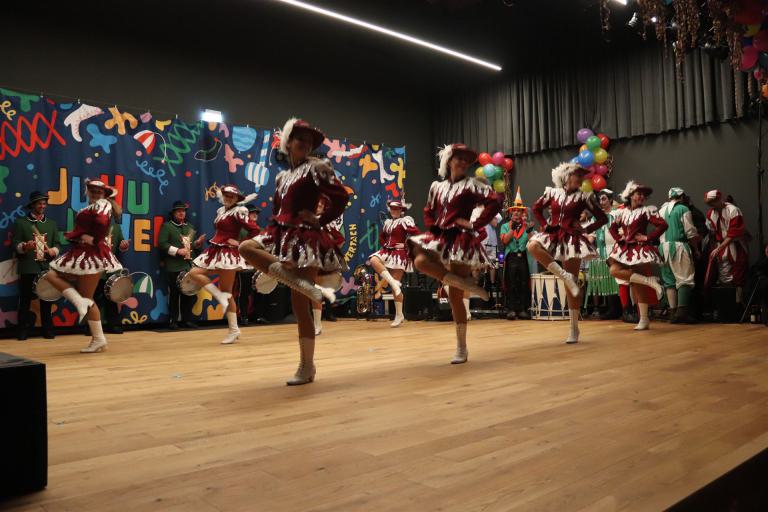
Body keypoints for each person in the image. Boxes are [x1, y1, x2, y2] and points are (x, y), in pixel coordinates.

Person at [239, 118, 348, 385]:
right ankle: (310, 288)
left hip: (306, 236)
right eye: (300, 139)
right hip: (281, 233)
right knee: (246, 247)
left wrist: (320, 220)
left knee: (300, 306)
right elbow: (278, 210)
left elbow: (341, 197)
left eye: (309, 142)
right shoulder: (282, 177)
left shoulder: (317, 167)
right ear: (288, 143)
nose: (306, 144)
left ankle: (306, 366)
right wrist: (273, 237)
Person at [408, 143, 501, 364]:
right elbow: (428, 210)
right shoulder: (437, 187)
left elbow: (495, 201)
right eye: (458, 158)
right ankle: (466, 285)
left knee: (455, 297)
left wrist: (475, 224)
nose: (462, 162)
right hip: (441, 237)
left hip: (462, 240)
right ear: (449, 161)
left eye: (466, 160)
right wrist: (433, 228)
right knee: (419, 260)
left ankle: (461, 348)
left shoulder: (472, 185)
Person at [527, 162, 608, 343]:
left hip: (572, 238)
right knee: (532, 246)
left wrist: (586, 229)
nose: (580, 179)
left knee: (571, 287)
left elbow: (602, 218)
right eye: (576, 175)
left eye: (581, 176)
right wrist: (544, 224)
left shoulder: (584, 197)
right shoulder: (552, 193)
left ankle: (573, 328)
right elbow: (536, 208)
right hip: (553, 233)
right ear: (566, 177)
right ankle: (564, 275)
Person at [44, 179, 123, 353]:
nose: (95, 194)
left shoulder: (102, 205)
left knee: (85, 297)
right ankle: (97, 336)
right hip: (81, 252)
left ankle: (98, 338)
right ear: (87, 192)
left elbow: (102, 222)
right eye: (92, 191)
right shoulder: (92, 207)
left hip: (90, 254)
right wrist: (80, 237)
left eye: (98, 192)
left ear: (104, 195)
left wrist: (94, 239)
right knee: (55, 277)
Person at [189, 185, 260, 345]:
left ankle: (234, 330)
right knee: (194, 273)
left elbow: (255, 230)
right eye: (226, 195)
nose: (228, 198)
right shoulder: (221, 211)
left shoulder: (239, 211)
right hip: (215, 250)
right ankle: (221, 299)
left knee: (227, 293)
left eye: (231, 196)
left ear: (236, 199)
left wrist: (240, 243)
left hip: (228, 253)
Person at [607, 181, 668, 331]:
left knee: (638, 286)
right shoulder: (622, 212)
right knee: (614, 270)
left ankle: (644, 319)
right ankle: (650, 281)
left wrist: (648, 237)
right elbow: (612, 228)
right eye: (638, 194)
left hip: (639, 248)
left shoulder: (647, 211)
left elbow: (663, 225)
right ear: (630, 195)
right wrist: (619, 239)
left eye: (643, 195)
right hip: (624, 248)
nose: (642, 197)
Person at [13, 191, 61, 340]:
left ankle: (47, 329)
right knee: (25, 300)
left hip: (46, 268)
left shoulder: (51, 224)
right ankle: (22, 330)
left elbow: (57, 244)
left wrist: (53, 251)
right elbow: (15, 244)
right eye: (39, 203)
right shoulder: (21, 223)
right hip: (28, 267)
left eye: (44, 203)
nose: (42, 206)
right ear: (32, 205)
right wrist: (24, 246)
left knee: (46, 300)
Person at [368, 200, 420, 327]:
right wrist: (385, 245)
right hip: (387, 251)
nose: (394, 211)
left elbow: (416, 234)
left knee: (394, 289)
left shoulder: (405, 221)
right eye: (392, 208)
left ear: (401, 210)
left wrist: (406, 245)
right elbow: (382, 237)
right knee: (374, 260)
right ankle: (394, 284)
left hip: (399, 254)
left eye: (397, 209)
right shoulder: (387, 222)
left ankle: (399, 315)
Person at [158, 200, 205, 329]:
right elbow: (162, 244)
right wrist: (177, 251)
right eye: (178, 211)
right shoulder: (167, 226)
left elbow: (192, 246)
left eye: (183, 211)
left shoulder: (189, 227)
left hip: (188, 266)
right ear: (173, 213)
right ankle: (173, 320)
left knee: (189, 294)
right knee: (174, 294)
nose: (181, 213)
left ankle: (187, 320)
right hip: (173, 266)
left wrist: (197, 244)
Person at [659, 187, 700, 323]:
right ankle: (682, 313)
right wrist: (696, 249)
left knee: (669, 281)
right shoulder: (683, 209)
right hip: (679, 247)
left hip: (663, 248)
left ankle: (672, 313)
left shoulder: (661, 210)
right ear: (682, 197)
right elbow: (690, 232)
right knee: (685, 278)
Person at [704, 190, 749, 304]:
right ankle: (727, 305)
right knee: (724, 275)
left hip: (736, 246)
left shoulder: (733, 210)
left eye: (713, 202)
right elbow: (712, 233)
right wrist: (715, 248)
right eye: (709, 203)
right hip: (721, 247)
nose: (711, 205)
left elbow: (733, 234)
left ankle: (738, 304)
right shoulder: (711, 213)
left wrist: (718, 248)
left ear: (719, 199)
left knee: (738, 275)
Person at [586, 188, 621, 319]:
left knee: (617, 280)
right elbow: (591, 236)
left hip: (615, 252)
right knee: (607, 281)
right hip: (602, 253)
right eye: (600, 199)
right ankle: (611, 310)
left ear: (611, 200)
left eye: (604, 198)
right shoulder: (596, 218)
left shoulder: (617, 214)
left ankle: (622, 309)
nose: (601, 202)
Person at [92, 221, 130, 333]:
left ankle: (113, 325)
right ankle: (92, 327)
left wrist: (123, 246)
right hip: (94, 266)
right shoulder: (90, 225)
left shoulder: (116, 227)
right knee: (95, 298)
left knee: (111, 297)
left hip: (110, 268)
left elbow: (120, 245)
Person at [500, 187, 531, 320]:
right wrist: (512, 230)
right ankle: (511, 309)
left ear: (522, 212)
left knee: (523, 282)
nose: (517, 212)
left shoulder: (526, 226)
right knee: (511, 282)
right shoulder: (505, 226)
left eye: (519, 210)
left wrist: (530, 232)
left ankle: (522, 309)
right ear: (511, 212)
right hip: (511, 257)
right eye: (514, 210)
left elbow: (531, 242)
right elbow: (505, 241)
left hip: (523, 257)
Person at [236, 204, 262, 327]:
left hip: (258, 266)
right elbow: (236, 247)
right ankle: (244, 316)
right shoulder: (241, 230)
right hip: (245, 266)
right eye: (252, 213)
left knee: (259, 291)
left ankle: (257, 316)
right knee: (244, 292)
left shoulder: (261, 230)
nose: (255, 214)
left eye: (256, 213)